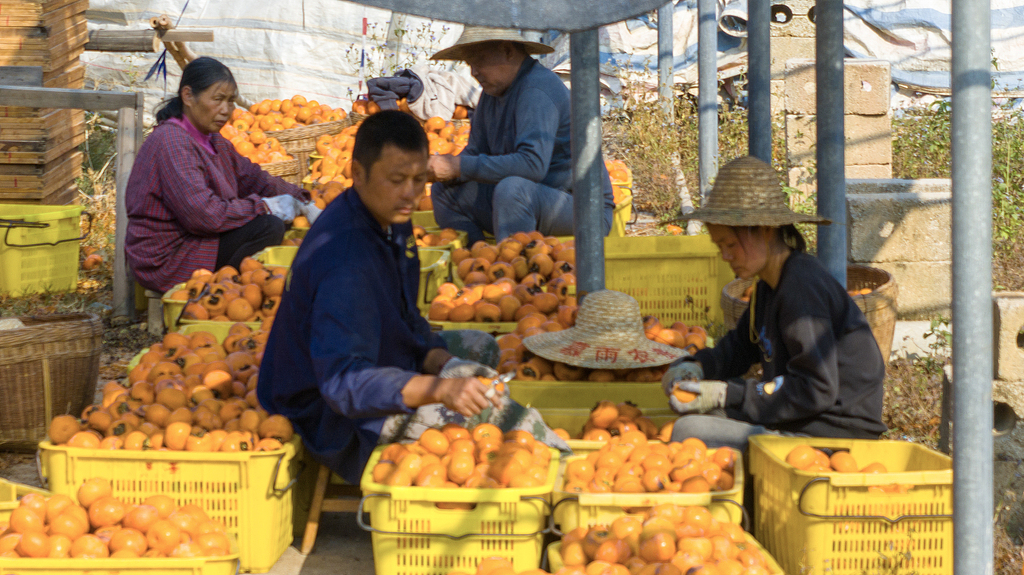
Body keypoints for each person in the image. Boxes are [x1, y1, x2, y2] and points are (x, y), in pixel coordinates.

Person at [257, 111, 566, 484]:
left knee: (479, 349)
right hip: (329, 412)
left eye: (419, 180)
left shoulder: (392, 220)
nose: (410, 193)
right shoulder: (345, 261)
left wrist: (442, 361)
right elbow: (343, 385)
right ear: (357, 173)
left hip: (380, 361)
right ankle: (563, 474)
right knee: (496, 418)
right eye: (397, 180)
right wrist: (440, 388)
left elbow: (406, 315)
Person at [661, 156, 886, 449]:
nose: (725, 256)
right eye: (720, 247)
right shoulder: (768, 287)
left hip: (832, 435)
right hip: (802, 420)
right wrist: (695, 368)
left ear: (766, 230)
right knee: (695, 416)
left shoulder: (801, 289)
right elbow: (740, 348)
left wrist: (728, 394)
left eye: (731, 244)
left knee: (689, 432)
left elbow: (815, 388)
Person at [125, 57, 317, 293]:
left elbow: (254, 178)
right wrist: (265, 206)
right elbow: (204, 215)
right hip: (168, 257)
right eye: (217, 99)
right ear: (188, 96)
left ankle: (240, 292)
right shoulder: (172, 142)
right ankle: (225, 295)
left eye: (230, 101)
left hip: (196, 239)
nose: (226, 110)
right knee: (268, 227)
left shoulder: (212, 140)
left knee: (280, 221)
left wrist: (304, 201)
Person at [428, 27, 616, 245]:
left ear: (508, 51)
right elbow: (475, 152)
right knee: (445, 191)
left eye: (479, 61)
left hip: (583, 209)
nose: (473, 72)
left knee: (513, 191)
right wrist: (435, 170)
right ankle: (476, 261)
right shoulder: (492, 93)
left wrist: (458, 166)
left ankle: (514, 272)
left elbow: (532, 165)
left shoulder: (536, 90)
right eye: (470, 64)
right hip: (533, 197)